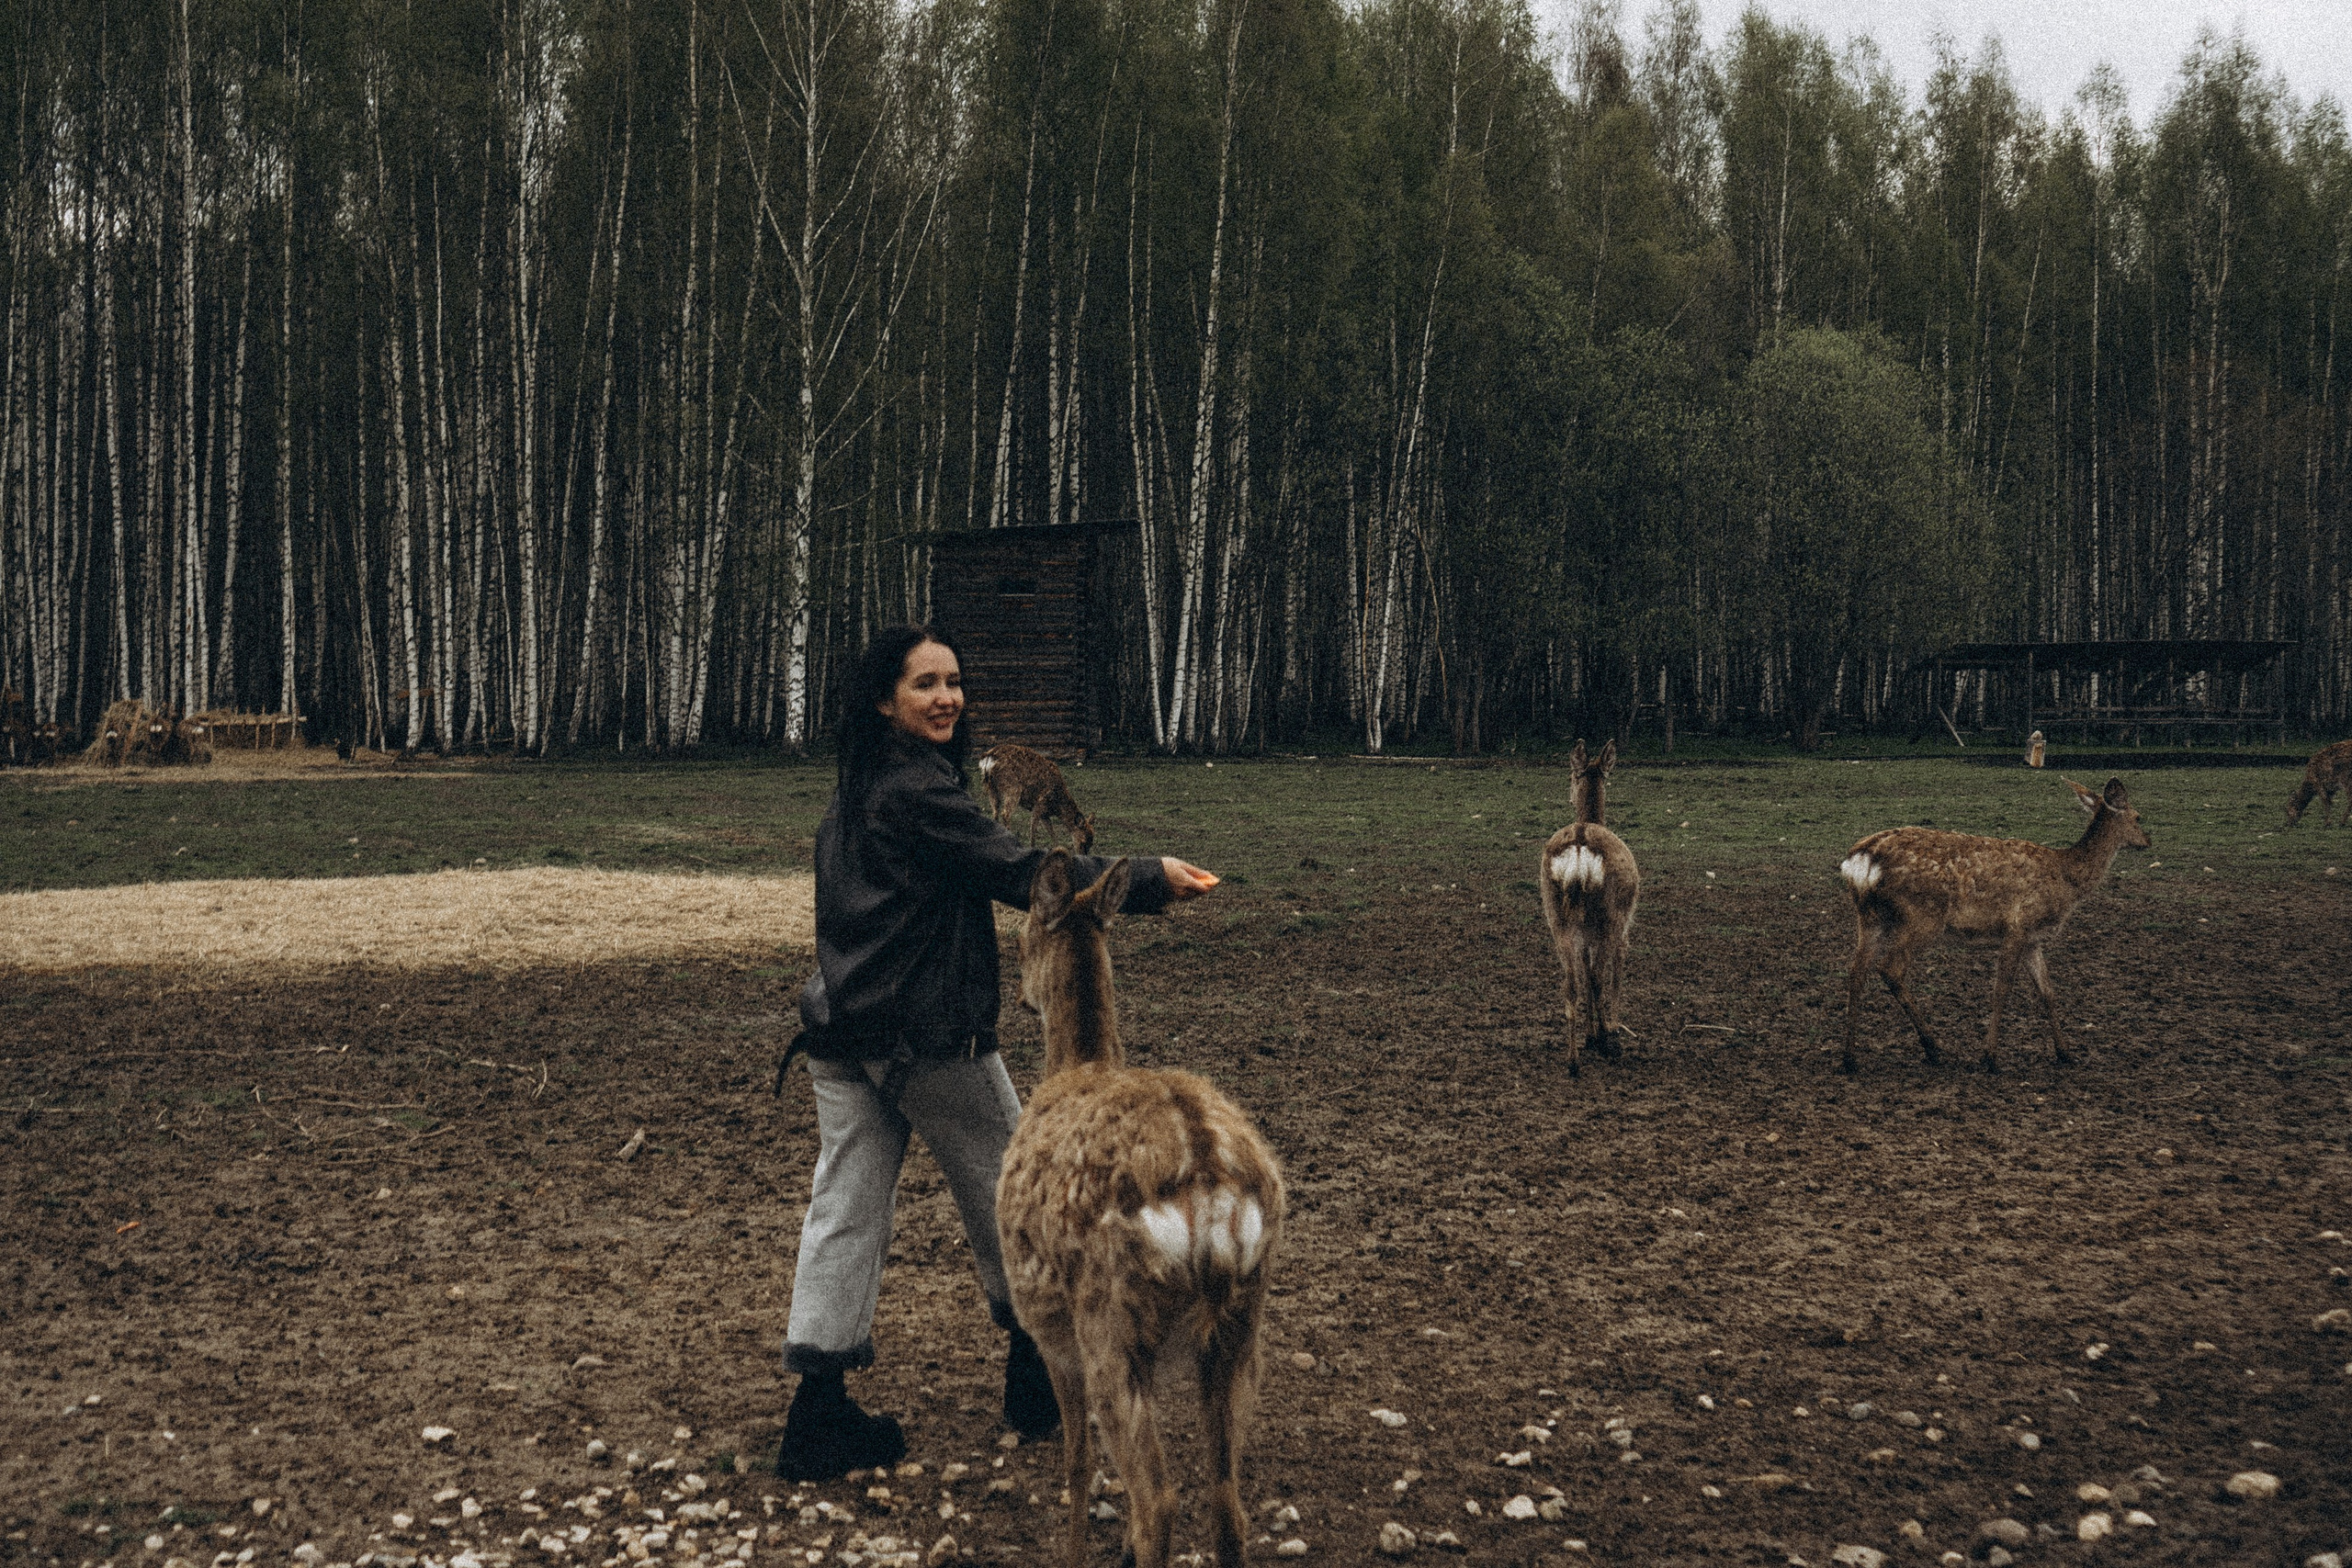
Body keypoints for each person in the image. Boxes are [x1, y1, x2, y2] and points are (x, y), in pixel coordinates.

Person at [776, 625, 1218, 1480]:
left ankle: (817, 1415)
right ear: (884, 700)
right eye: (924, 684)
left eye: (953, 681)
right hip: (926, 1039)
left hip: (846, 1033)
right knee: (1012, 1198)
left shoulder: (856, 792)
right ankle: (1033, 1381)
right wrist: (1150, 879)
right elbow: (1021, 873)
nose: (946, 697)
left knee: (846, 1207)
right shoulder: (916, 792)